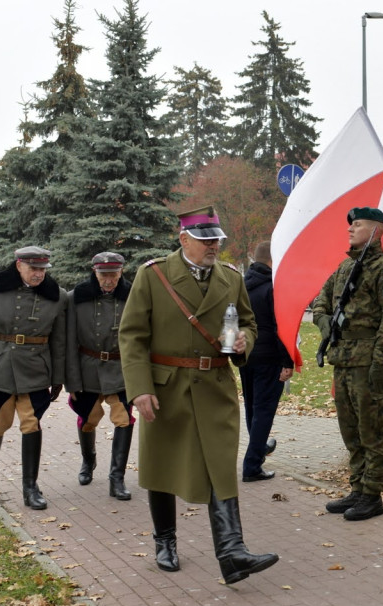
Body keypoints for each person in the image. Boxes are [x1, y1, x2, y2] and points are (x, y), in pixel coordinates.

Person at [119, 205, 279, 583]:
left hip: (215, 387)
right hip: (167, 387)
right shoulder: (153, 275)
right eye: (206, 240)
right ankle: (165, 541)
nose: (213, 247)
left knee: (221, 467)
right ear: (184, 239)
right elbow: (132, 335)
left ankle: (232, 553)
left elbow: (249, 322)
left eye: (217, 240)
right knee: (163, 466)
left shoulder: (231, 277)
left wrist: (245, 342)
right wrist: (139, 388)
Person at [313, 207, 383, 521]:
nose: (351, 229)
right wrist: (326, 326)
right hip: (344, 360)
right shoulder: (344, 268)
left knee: (374, 430)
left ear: (376, 230)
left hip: (370, 363)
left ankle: (372, 495)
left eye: (358, 225)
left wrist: (380, 362)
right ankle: (357, 487)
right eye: (350, 224)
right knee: (350, 430)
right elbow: (320, 303)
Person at [0, 246, 67, 510]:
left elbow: (59, 341)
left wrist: (58, 377)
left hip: (36, 369)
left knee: (31, 424)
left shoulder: (57, 296)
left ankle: (30, 487)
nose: (39, 274)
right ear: (19, 265)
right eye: (34, 269)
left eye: (43, 269)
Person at [65, 252, 134, 500]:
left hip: (121, 369)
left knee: (124, 420)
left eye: (114, 274)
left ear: (121, 272)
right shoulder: (76, 298)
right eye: (104, 275)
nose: (109, 280)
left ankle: (117, 479)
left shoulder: (133, 297)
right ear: (95, 272)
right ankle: (88, 461)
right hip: (87, 368)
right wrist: (71, 380)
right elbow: (69, 342)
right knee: (89, 419)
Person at [239, 239, 294, 482]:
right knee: (264, 411)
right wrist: (288, 361)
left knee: (252, 407)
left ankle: (258, 450)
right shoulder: (273, 287)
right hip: (269, 356)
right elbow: (278, 327)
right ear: (272, 260)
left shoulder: (241, 285)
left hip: (246, 354)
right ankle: (252, 465)